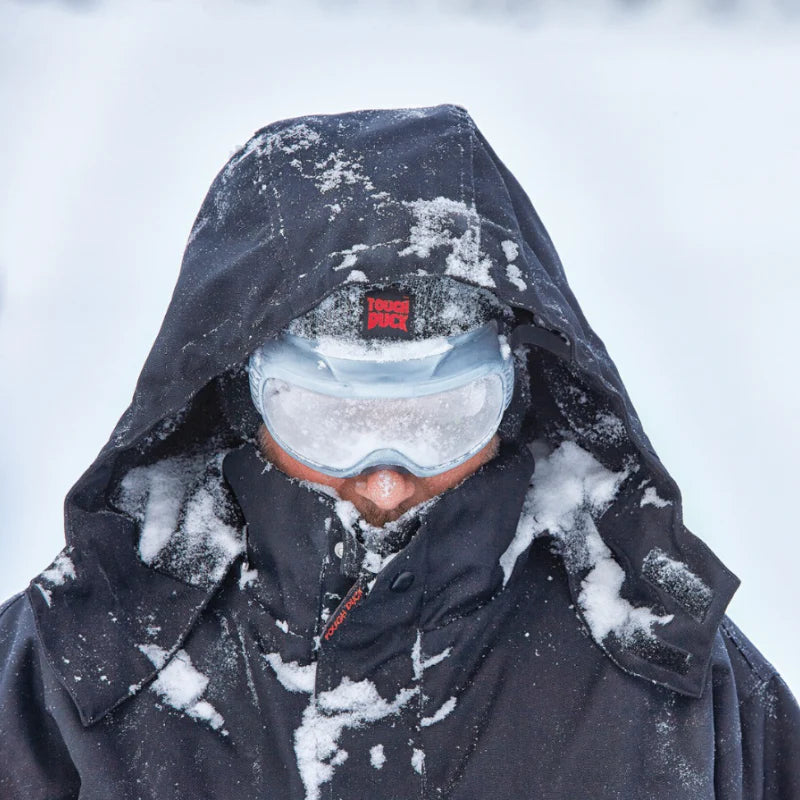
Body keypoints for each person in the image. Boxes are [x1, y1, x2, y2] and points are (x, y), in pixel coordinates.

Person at [0, 104, 797, 799]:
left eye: (441, 415)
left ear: (514, 398)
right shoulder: (72, 666)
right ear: (242, 400)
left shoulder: (673, 672)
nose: (384, 478)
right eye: (330, 418)